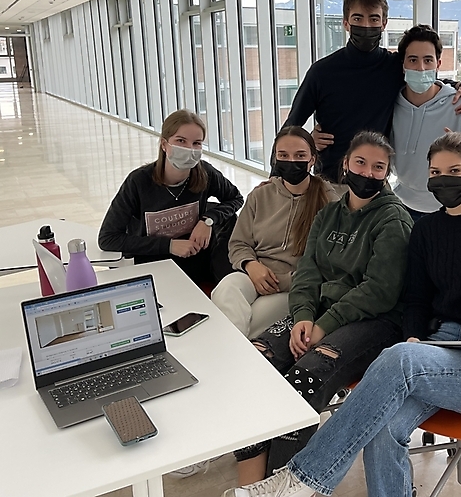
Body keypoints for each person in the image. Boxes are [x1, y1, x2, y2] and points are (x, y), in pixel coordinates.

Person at [223, 132, 461, 497]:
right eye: (435, 172)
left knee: (400, 358)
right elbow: (416, 300)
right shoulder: (426, 230)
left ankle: (302, 480)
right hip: (438, 353)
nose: (443, 180)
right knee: (383, 425)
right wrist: (414, 334)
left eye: (454, 171)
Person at [232, 131, 413, 485]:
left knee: (305, 377)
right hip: (319, 314)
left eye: (378, 167)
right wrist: (302, 316)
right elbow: (307, 273)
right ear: (345, 164)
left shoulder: (393, 220)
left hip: (374, 322)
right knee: (253, 363)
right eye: (360, 162)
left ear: (387, 173)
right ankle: (252, 484)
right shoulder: (329, 213)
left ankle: (284, 487)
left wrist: (323, 325)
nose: (368, 173)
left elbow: (379, 291)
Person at [283, 0, 461, 181]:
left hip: (376, 180)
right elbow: (291, 126)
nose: (366, 26)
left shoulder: (393, 67)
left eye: (373, 19)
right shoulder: (322, 72)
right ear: (346, 23)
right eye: (358, 19)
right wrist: (306, 143)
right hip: (331, 181)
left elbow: (423, 74)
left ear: (383, 24)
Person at [210, 127, 339, 338]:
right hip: (255, 275)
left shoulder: (329, 201)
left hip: (295, 286)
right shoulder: (260, 195)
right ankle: (233, 351)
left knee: (251, 321)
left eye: (300, 156)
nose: (291, 161)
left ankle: (231, 352)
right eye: (283, 156)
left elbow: (330, 262)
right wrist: (251, 265)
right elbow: (238, 243)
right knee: (225, 290)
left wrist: (283, 281)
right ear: (275, 159)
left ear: (312, 159)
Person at [99, 110, 243, 286]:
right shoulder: (139, 181)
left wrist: (207, 220)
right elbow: (108, 238)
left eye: (196, 143)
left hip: (198, 264)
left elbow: (235, 198)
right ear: (164, 144)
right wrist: (169, 245)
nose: (189, 149)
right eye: (181, 141)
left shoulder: (205, 173)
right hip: (153, 268)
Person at [390, 24, 461, 221]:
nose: (421, 68)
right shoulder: (390, 105)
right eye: (413, 60)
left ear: (438, 64)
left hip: (452, 208)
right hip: (402, 206)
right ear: (403, 64)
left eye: (428, 60)